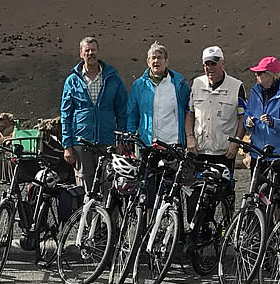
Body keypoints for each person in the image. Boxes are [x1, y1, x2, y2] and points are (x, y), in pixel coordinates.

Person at [58, 36, 128, 187]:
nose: (90, 53)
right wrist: (67, 146)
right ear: (81, 54)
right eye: (87, 50)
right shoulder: (72, 81)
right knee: (84, 186)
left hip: (107, 142)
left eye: (93, 50)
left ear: (98, 52)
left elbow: (122, 111)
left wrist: (121, 140)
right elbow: (66, 115)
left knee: (108, 184)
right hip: (81, 142)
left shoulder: (112, 78)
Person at [127, 42, 191, 149]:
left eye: (160, 58)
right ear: (148, 62)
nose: (156, 61)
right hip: (147, 144)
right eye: (153, 58)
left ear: (166, 62)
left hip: (173, 144)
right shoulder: (138, 85)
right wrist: (130, 135)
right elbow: (132, 114)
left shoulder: (179, 85)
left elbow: (188, 112)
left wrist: (189, 137)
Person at [190, 46, 245, 167]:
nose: (210, 67)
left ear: (222, 63)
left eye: (213, 64)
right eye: (207, 64)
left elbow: (242, 117)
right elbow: (190, 112)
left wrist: (236, 142)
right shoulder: (196, 84)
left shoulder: (237, 86)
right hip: (199, 150)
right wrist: (189, 137)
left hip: (224, 152)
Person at [240, 56, 280, 159]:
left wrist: (273, 122)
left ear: (270, 75)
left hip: (278, 155)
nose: (256, 75)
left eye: (259, 73)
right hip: (257, 154)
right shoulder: (254, 92)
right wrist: (248, 123)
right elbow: (247, 116)